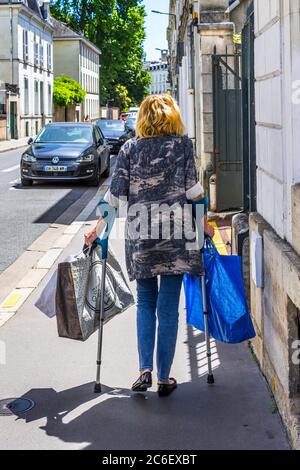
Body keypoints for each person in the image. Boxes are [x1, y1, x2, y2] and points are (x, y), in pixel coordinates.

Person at [84, 94, 214, 397]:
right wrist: (204, 224)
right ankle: (164, 378)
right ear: (172, 117)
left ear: (143, 118)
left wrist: (97, 229)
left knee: (146, 302)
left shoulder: (130, 149)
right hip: (177, 236)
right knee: (168, 308)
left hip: (141, 236)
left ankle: (144, 369)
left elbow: (114, 198)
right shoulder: (182, 146)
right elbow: (194, 192)